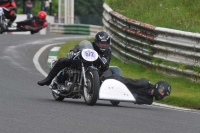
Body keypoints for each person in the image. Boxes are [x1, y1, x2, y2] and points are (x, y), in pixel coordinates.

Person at [37, 31, 112, 86]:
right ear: (96, 42)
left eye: (104, 43)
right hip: (82, 63)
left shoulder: (108, 52)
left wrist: (102, 62)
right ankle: (48, 80)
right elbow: (79, 46)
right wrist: (73, 51)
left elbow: (105, 68)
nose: (102, 45)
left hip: (95, 69)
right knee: (62, 60)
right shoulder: (91, 45)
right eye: (101, 43)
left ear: (107, 43)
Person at [104, 74, 171, 104]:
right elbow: (129, 82)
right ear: (159, 86)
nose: (162, 95)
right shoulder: (145, 83)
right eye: (162, 92)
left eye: (163, 95)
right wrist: (114, 79)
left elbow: (135, 99)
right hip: (119, 84)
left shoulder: (149, 101)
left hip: (122, 95)